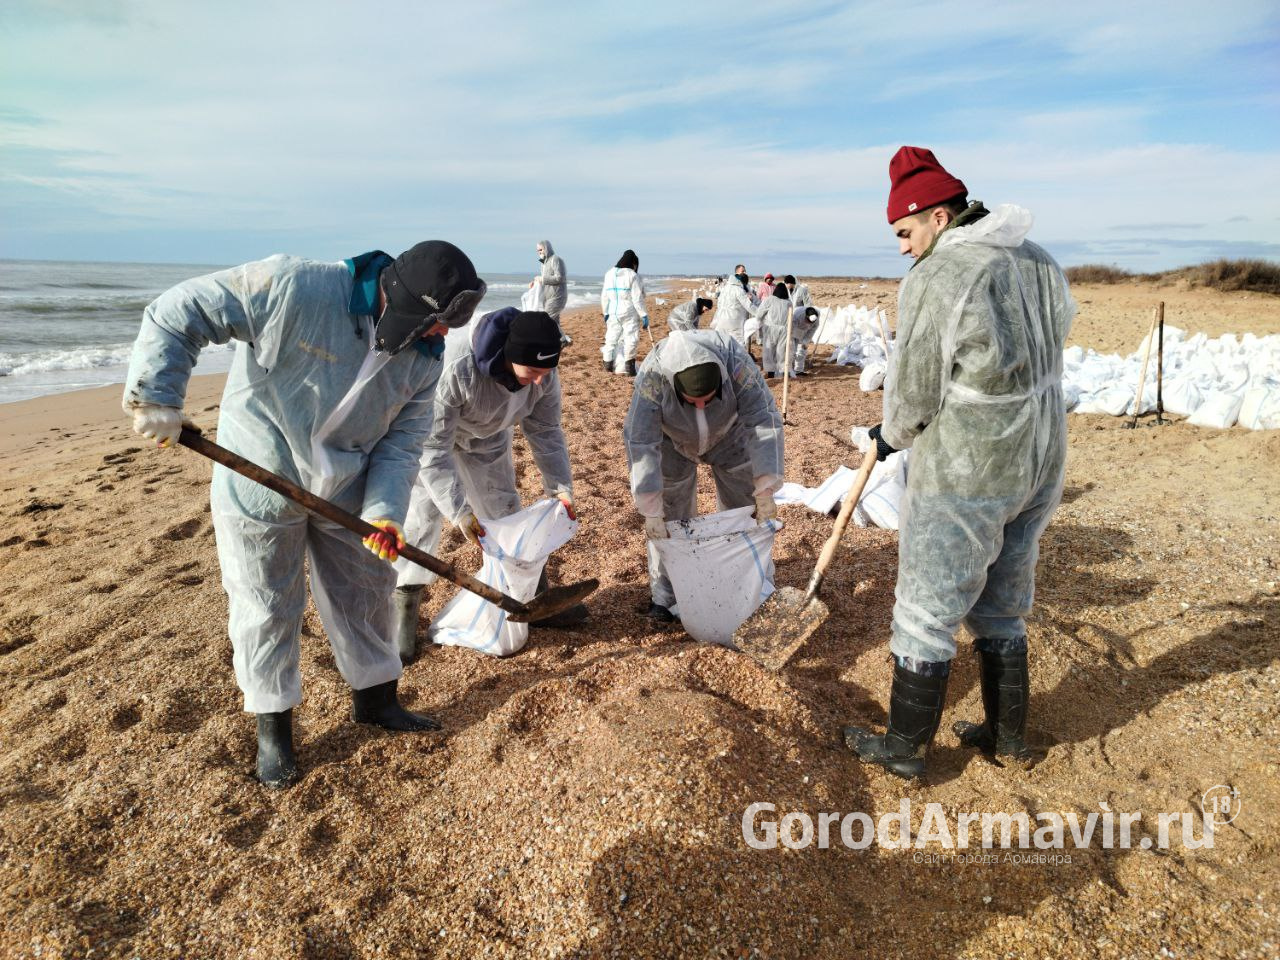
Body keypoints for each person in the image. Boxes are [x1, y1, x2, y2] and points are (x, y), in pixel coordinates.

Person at [122, 241, 487, 789]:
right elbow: (181, 310)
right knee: (266, 600)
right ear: (401, 299)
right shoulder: (298, 287)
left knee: (365, 588)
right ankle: (274, 732)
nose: (444, 337)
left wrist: (386, 514)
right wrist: (156, 395)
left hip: (349, 486)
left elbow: (402, 445)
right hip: (259, 472)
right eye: (438, 323)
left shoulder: (424, 358)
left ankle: (376, 700)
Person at [844, 146, 1075, 780]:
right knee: (1004, 598)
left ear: (938, 217)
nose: (901, 247)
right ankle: (1007, 736)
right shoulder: (1038, 259)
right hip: (1040, 456)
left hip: (973, 463)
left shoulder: (940, 275)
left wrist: (891, 435)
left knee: (927, 600)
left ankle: (904, 748)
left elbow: (916, 386)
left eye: (904, 231)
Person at [391, 308, 586, 657]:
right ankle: (403, 615)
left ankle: (533, 600)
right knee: (421, 521)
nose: (542, 380)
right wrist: (460, 513)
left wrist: (560, 488)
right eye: (535, 371)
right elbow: (433, 448)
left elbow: (546, 431)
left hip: (488, 437)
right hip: (428, 437)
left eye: (548, 371)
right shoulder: (456, 367)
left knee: (505, 513)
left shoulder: (544, 376)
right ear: (510, 357)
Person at [623, 329, 785, 622]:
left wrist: (765, 488)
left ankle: (755, 585)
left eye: (708, 399)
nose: (700, 406)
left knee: (744, 512)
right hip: (672, 441)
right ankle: (666, 596)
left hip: (730, 436)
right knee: (671, 522)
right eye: (692, 401)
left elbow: (764, 420)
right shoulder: (653, 378)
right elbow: (640, 440)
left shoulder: (736, 365)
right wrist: (651, 509)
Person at [600, 249, 648, 376]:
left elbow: (604, 296)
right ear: (633, 263)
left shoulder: (609, 273)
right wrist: (643, 315)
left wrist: (605, 312)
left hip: (613, 311)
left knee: (611, 337)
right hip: (628, 311)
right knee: (631, 338)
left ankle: (607, 364)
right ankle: (629, 368)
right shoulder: (632, 275)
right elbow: (637, 298)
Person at [532, 240, 571, 345]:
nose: (539, 252)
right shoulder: (543, 263)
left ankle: (563, 340)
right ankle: (559, 340)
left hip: (558, 296)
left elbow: (560, 278)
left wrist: (542, 279)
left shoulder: (556, 260)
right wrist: (535, 282)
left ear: (546, 248)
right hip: (548, 297)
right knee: (554, 322)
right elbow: (544, 280)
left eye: (541, 249)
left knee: (546, 319)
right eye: (537, 250)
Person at [751, 281, 793, 378]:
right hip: (784, 329)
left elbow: (759, 313)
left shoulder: (769, 299)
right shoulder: (788, 302)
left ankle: (770, 372)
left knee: (769, 350)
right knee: (782, 350)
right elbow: (791, 317)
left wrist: (759, 320)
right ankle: (783, 371)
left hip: (771, 328)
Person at [711, 270, 755, 346]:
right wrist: (761, 313)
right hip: (734, 321)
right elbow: (749, 306)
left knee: (722, 342)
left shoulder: (725, 288)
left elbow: (719, 304)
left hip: (721, 320)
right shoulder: (739, 290)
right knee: (737, 344)